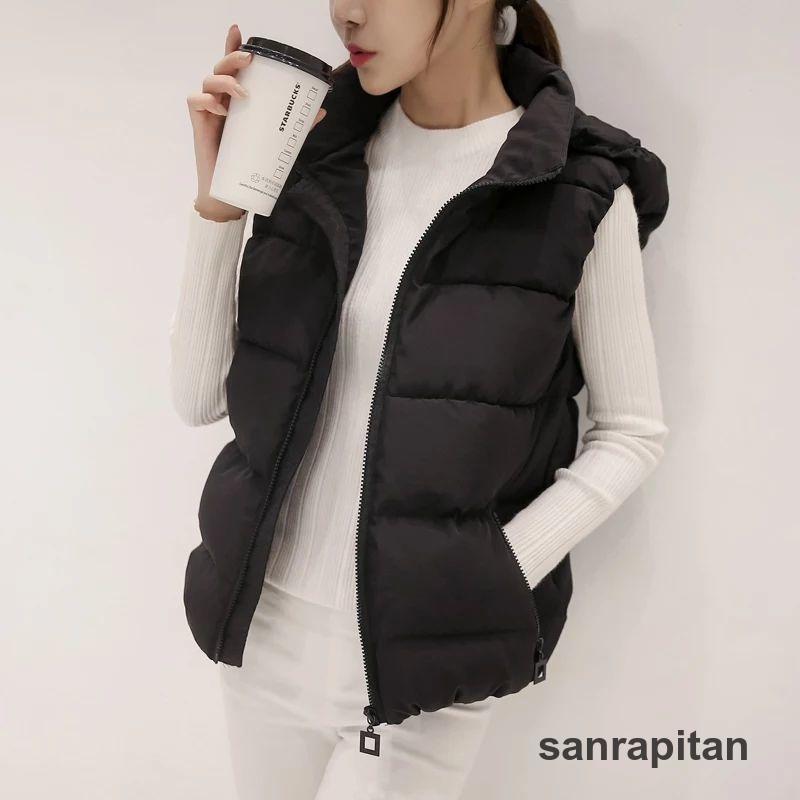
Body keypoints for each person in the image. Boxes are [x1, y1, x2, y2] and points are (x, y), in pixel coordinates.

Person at [172, 2, 669, 798]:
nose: (348, 12)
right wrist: (220, 206)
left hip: (422, 665)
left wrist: (487, 573)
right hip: (262, 633)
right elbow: (199, 397)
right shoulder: (315, 151)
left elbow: (632, 433)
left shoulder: (575, 186)